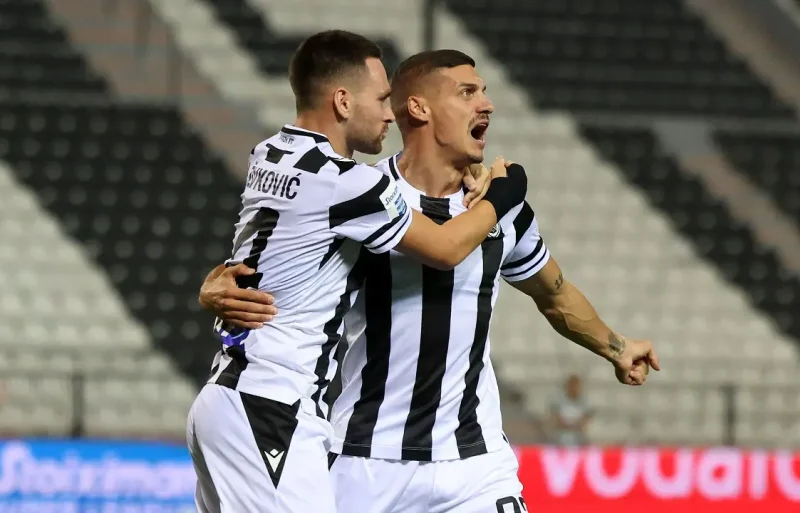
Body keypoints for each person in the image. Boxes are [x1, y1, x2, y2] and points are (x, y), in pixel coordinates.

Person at [199, 49, 660, 512]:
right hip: (366, 460)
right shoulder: (365, 194)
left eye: (484, 92)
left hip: (475, 463)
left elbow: (553, 294)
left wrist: (617, 347)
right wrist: (215, 285)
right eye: (468, 92)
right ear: (419, 108)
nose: (487, 104)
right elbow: (277, 255)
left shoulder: (500, 209)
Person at [186, 32, 529, 513]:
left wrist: (212, 283)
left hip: (230, 398)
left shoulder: (270, 154)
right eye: (382, 99)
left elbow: (267, 247)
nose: (389, 114)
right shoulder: (350, 185)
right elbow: (446, 248)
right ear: (343, 101)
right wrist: (506, 192)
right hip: (272, 406)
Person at [550, 374, 593, 446]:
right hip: (560, 436)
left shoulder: (585, 402)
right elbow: (555, 420)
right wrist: (571, 426)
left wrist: (572, 426)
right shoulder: (558, 401)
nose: (574, 389)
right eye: (572, 386)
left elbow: (584, 422)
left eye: (576, 386)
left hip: (579, 437)